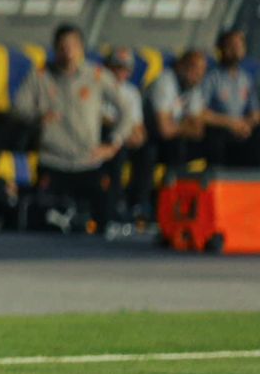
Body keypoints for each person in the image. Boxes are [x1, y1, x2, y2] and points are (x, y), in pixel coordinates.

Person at [12, 25, 137, 234]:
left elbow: (126, 111)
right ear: (55, 48)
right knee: (40, 225)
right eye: (62, 47)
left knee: (102, 222)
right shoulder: (41, 75)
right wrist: (38, 115)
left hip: (87, 161)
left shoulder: (96, 75)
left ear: (81, 48)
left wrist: (114, 142)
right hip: (53, 160)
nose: (68, 52)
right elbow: (17, 108)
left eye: (73, 46)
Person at [130, 49, 208, 213]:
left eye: (202, 70)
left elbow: (198, 130)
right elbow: (163, 128)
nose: (198, 74)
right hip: (142, 135)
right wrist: (184, 126)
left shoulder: (193, 88)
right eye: (194, 68)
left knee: (185, 148)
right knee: (149, 151)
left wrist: (179, 127)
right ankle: (139, 206)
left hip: (168, 140)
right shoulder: (165, 82)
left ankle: (172, 203)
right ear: (181, 66)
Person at [100, 48, 147, 226]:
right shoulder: (99, 88)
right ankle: (114, 206)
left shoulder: (131, 93)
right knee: (116, 147)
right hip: (103, 137)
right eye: (116, 67)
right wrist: (123, 130)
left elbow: (139, 131)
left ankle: (139, 205)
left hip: (124, 139)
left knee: (146, 152)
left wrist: (126, 131)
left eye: (125, 68)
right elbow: (100, 120)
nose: (120, 72)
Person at [201, 30, 260, 168]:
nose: (236, 50)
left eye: (239, 46)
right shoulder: (211, 77)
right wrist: (231, 123)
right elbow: (200, 112)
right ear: (221, 49)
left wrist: (246, 124)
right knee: (216, 136)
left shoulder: (245, 78)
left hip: (243, 129)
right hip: (221, 130)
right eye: (231, 46)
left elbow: (255, 111)